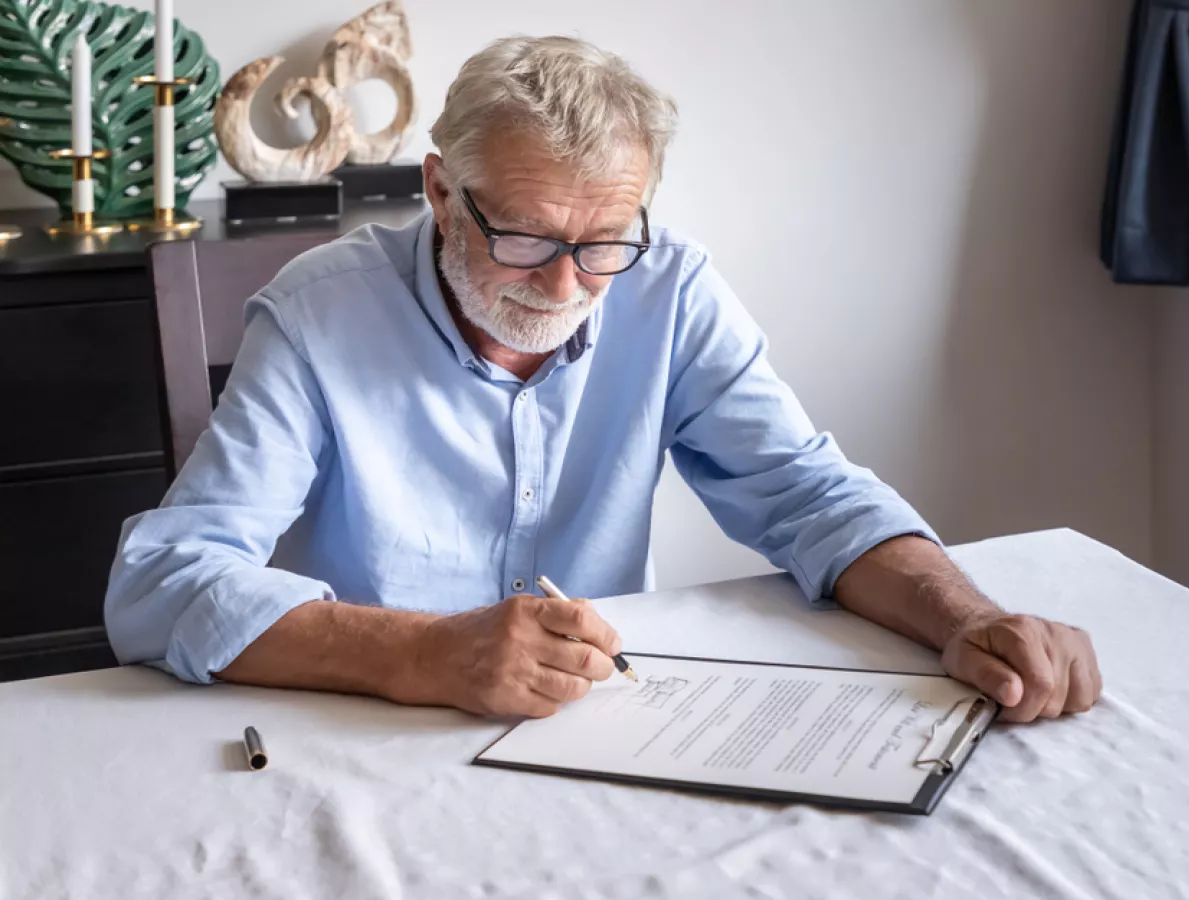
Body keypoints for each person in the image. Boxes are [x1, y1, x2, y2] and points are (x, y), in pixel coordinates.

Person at [105, 35, 1101, 724]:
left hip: (600, 727)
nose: (569, 283)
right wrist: (417, 654)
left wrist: (970, 619)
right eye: (529, 238)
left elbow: (810, 498)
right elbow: (158, 586)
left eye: (605, 242)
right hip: (366, 726)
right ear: (442, 192)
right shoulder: (319, 313)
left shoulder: (669, 289)